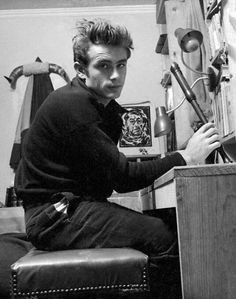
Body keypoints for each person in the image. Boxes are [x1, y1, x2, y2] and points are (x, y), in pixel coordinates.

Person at [14, 18, 220, 298]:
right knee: (164, 238)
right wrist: (184, 156)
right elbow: (122, 179)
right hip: (53, 217)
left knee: (164, 229)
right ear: (81, 70)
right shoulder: (73, 106)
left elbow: (109, 173)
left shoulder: (105, 108)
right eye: (103, 65)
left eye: (121, 65)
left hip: (67, 208)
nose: (115, 75)